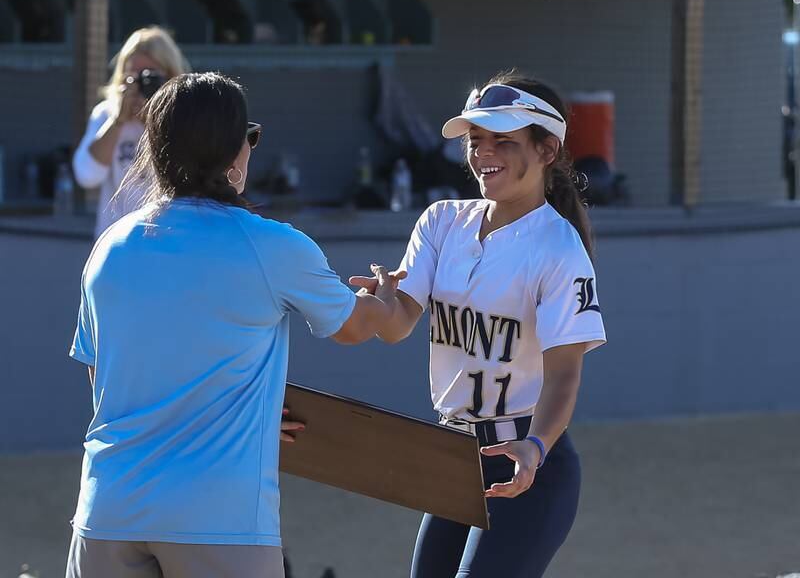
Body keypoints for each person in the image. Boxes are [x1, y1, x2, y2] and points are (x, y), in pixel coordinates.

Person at [65, 72, 400, 578]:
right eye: (250, 135)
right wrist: (386, 299)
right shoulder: (271, 244)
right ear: (235, 153)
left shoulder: (110, 245)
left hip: (107, 510)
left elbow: (103, 382)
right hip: (219, 518)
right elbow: (355, 327)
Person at [350, 72, 607, 578]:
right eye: (476, 139)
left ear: (547, 150)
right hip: (457, 456)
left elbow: (563, 376)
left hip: (531, 461)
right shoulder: (442, 221)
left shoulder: (558, 248)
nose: (483, 152)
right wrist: (376, 304)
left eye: (504, 141)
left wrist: (534, 447)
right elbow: (398, 324)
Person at [72, 26, 190, 237]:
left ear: (170, 77)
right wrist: (118, 121)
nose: (141, 86)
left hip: (167, 238)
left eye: (150, 78)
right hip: (117, 239)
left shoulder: (184, 116)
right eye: (133, 78)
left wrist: (158, 117)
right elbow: (86, 176)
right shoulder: (107, 115)